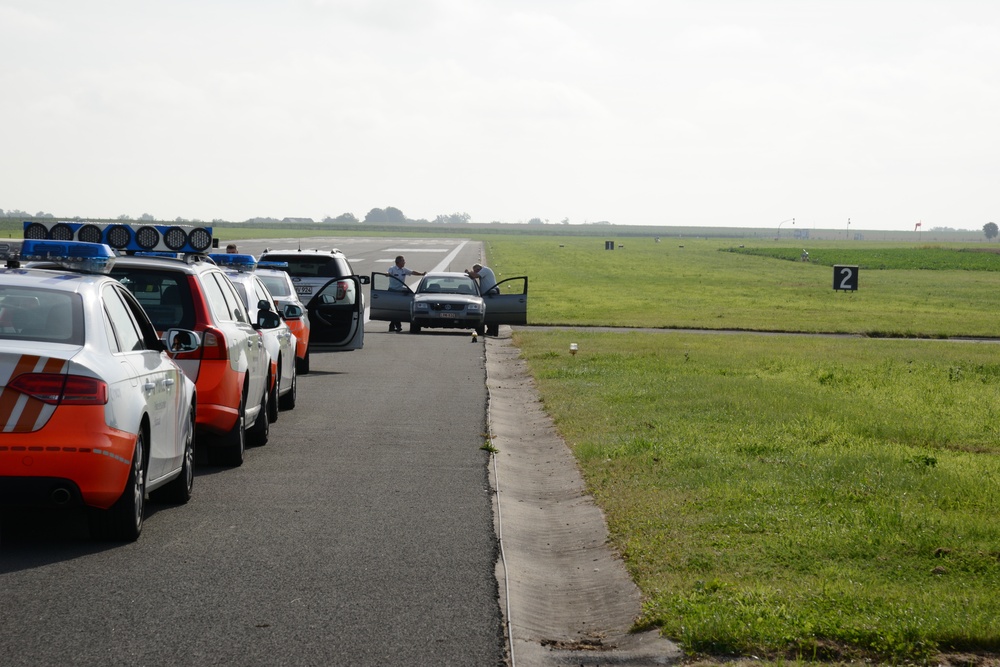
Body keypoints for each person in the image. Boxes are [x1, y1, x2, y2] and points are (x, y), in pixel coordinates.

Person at [387, 255, 425, 332]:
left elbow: (412, 272)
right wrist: (387, 274)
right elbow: (388, 272)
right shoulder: (392, 269)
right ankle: (396, 326)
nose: (404, 262)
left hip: (400, 291)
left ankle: (393, 326)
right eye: (403, 261)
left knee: (398, 308)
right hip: (393, 291)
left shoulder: (403, 270)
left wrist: (421, 274)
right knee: (394, 309)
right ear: (398, 262)